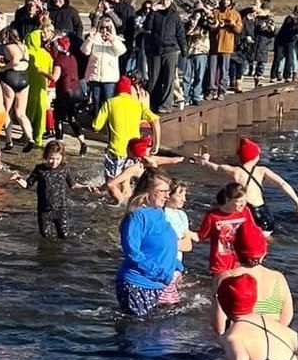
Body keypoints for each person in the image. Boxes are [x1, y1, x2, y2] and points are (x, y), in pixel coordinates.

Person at [192, 138, 298, 231]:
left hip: (250, 214)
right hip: (265, 212)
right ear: (255, 156)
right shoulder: (262, 170)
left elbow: (216, 168)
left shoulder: (235, 171)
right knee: (266, 238)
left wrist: (204, 161)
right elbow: (282, 184)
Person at [115, 169, 184, 316]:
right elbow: (132, 253)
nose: (167, 196)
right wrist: (160, 273)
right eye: (162, 191)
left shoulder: (158, 212)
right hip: (138, 284)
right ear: (147, 191)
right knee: (139, 329)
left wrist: (176, 267)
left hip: (158, 282)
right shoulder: (137, 216)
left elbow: (165, 246)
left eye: (168, 191)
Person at [212, 218, 292, 335]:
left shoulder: (226, 278)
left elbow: (219, 327)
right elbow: (287, 317)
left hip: (241, 338)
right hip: (272, 337)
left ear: (235, 249)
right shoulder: (278, 278)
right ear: (264, 252)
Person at [93, 76, 159, 185]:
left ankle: (114, 196)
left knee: (112, 184)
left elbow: (96, 126)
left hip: (116, 150)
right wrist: (156, 144)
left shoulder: (110, 103)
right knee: (125, 182)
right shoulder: (137, 104)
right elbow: (155, 120)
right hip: (133, 151)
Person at [13, 139, 76, 239]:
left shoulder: (64, 169)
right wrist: (19, 179)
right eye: (51, 158)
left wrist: (86, 187)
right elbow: (27, 185)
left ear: (62, 157)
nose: (54, 162)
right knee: (46, 237)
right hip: (44, 211)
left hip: (61, 210)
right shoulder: (39, 169)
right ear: (46, 156)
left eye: (58, 159)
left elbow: (73, 185)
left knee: (64, 236)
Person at [196, 182, 252, 274]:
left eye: (244, 200)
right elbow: (201, 236)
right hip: (220, 263)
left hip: (241, 262)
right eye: (239, 201)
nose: (243, 204)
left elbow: (252, 233)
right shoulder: (212, 216)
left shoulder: (245, 211)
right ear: (227, 200)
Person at [48, 35, 86, 155]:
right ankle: (83, 142)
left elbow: (55, 77)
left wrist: (42, 72)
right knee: (72, 118)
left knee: (58, 118)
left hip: (64, 91)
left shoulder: (59, 60)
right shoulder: (72, 58)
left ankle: (59, 144)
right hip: (76, 90)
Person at [83, 17, 126, 113]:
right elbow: (85, 51)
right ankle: (96, 119)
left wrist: (112, 40)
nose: (105, 30)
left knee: (108, 101)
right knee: (96, 101)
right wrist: (90, 38)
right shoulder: (94, 39)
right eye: (102, 27)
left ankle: (108, 120)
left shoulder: (116, 40)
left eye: (108, 28)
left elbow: (122, 51)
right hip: (95, 76)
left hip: (109, 78)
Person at [206, 0, 243, 99]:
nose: (226, 2)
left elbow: (239, 29)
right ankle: (212, 90)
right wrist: (215, 24)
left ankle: (222, 90)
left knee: (224, 70)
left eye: (228, 0)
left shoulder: (234, 14)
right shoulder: (215, 12)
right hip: (214, 45)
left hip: (226, 45)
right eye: (224, 0)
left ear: (231, 2)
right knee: (212, 69)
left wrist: (232, 25)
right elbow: (209, 24)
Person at [24, 30, 53, 149]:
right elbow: (50, 70)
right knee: (40, 113)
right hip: (42, 87)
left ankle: (27, 135)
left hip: (29, 86)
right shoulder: (46, 54)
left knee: (29, 111)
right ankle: (38, 139)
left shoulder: (26, 53)